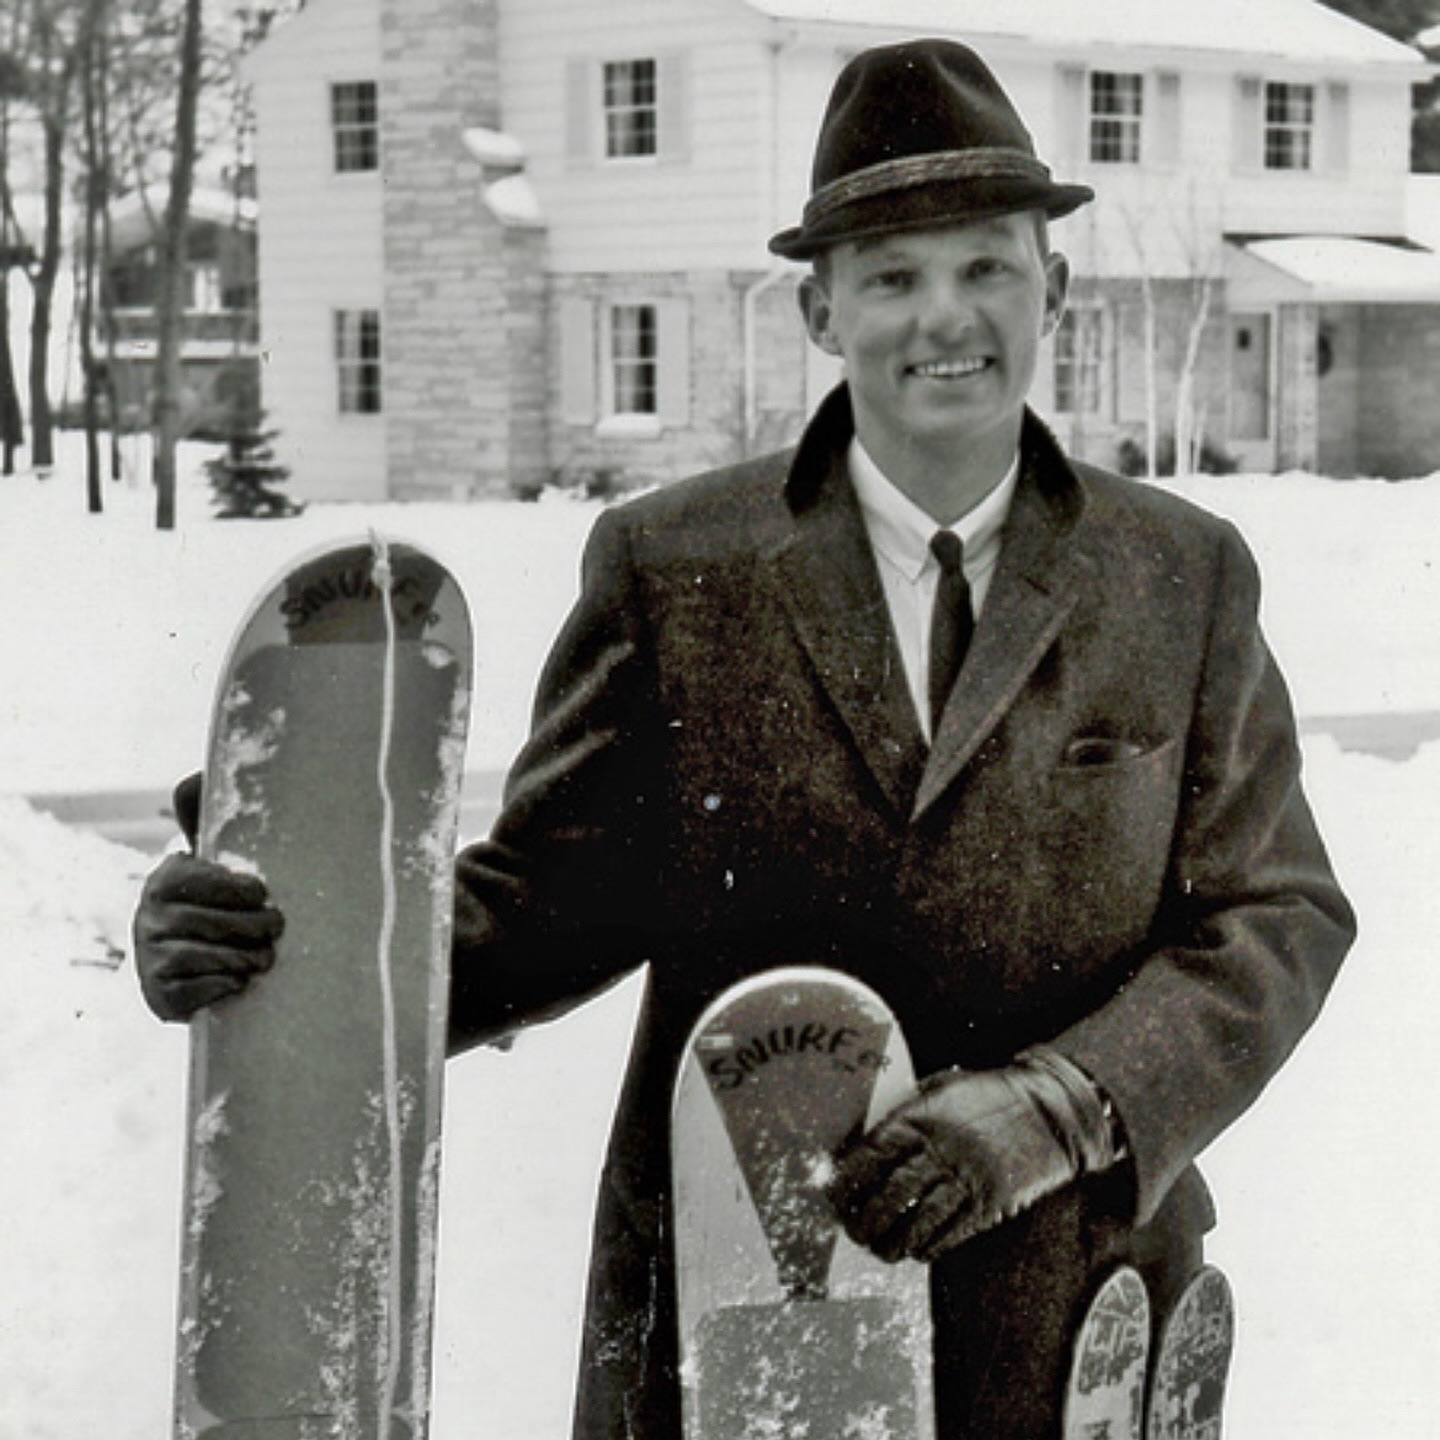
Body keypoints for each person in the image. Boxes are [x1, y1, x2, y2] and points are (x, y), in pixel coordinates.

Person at [134, 37, 1355, 1440]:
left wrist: (1057, 1111)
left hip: (1069, 1330)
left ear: (1055, 289)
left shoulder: (1178, 576)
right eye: (891, 276)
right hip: (738, 1332)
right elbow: (539, 912)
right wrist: (286, 936)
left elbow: (1276, 914)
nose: (944, 316)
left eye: (986, 267)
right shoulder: (677, 572)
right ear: (821, 311)